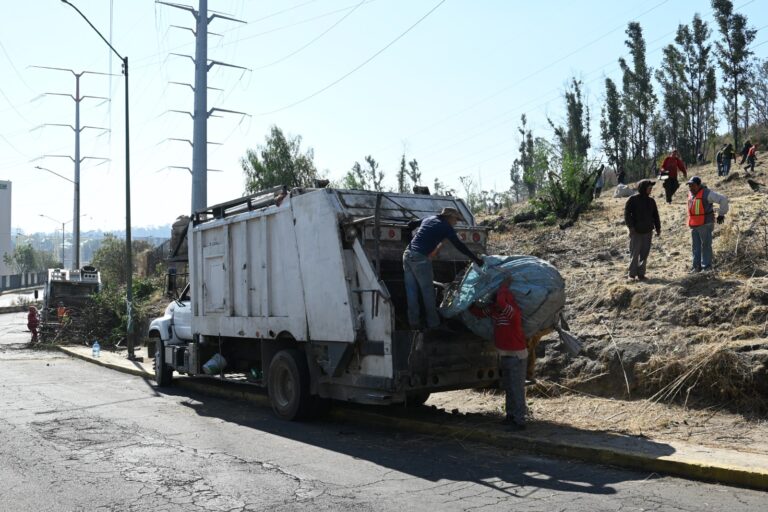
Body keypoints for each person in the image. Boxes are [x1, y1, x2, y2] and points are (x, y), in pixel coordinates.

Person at [404, 207, 483, 329]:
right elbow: (459, 245)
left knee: (411, 291)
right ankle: (434, 324)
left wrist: (411, 225)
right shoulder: (445, 227)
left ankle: (413, 322)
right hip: (420, 259)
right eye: (455, 219)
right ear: (449, 217)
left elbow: (413, 223)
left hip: (407, 254)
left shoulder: (429, 218)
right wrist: (475, 259)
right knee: (428, 292)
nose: (456, 222)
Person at [470, 281, 527, 431]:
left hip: (516, 356)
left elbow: (502, 302)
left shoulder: (512, 312)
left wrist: (503, 286)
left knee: (516, 388)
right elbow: (478, 312)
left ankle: (519, 420)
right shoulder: (496, 311)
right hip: (505, 356)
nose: (495, 301)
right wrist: (467, 300)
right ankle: (510, 416)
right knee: (509, 387)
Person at [686, 176, 729, 272]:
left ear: (698, 185)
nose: (691, 188)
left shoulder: (707, 193)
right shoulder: (690, 193)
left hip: (705, 224)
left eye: (692, 185)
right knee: (695, 247)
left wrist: (721, 214)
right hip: (694, 225)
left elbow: (723, 199)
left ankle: (706, 267)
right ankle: (696, 267)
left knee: (705, 246)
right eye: (689, 186)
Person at [624, 179, 661, 281]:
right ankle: (631, 275)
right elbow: (627, 214)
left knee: (644, 254)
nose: (651, 190)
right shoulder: (632, 199)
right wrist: (631, 227)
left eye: (651, 188)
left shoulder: (651, 201)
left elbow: (655, 215)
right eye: (649, 188)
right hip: (636, 232)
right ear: (643, 188)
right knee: (634, 253)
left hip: (648, 231)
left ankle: (641, 274)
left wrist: (658, 228)